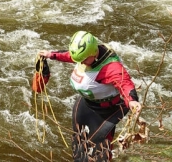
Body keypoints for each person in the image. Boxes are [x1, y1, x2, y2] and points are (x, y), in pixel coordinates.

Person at [38, 31, 142, 161]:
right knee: (80, 143)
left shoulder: (111, 68)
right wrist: (51, 55)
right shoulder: (86, 55)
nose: (81, 62)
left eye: (84, 59)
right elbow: (72, 55)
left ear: (93, 52)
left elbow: (125, 84)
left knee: (100, 149)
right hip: (87, 104)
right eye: (79, 60)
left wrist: (132, 101)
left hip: (106, 112)